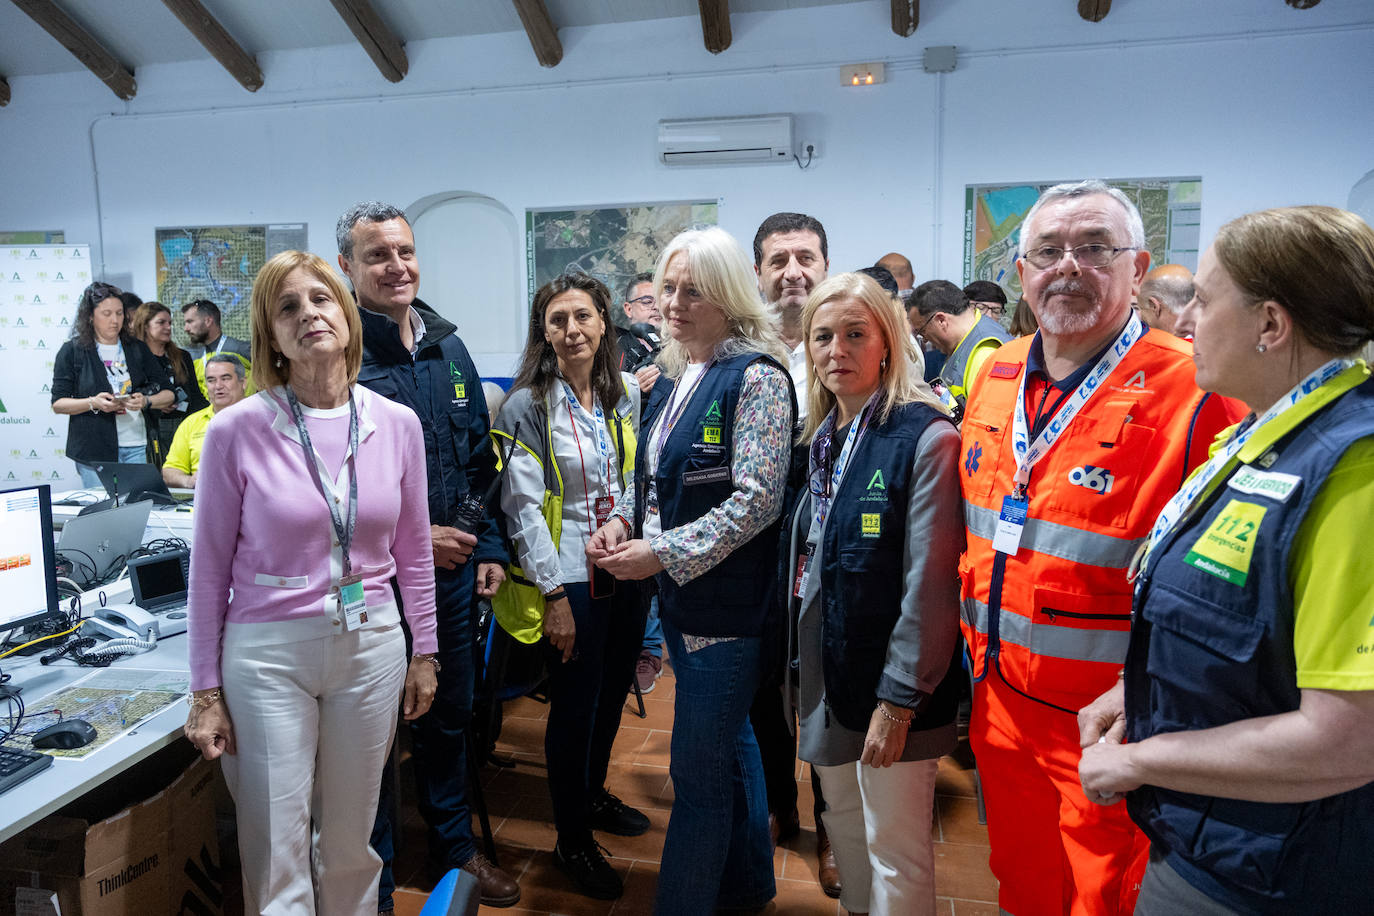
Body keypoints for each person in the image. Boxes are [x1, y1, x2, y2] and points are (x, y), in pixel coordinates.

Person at [959, 179, 1244, 916]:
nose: (1069, 267)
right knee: (1021, 879)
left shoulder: (1196, 390)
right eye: (1048, 251)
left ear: (1138, 268)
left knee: (1105, 894)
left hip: (1108, 718)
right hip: (995, 701)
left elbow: (1224, 587)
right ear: (1021, 273)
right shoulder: (994, 374)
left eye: (1095, 249)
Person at [1078, 205, 1374, 914]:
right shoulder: (1263, 438)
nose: (1183, 324)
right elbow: (1246, 632)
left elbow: (1344, 740)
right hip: (1216, 837)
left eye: (1205, 303)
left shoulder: (1351, 471)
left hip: (1272, 870)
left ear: (1271, 326)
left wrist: (1138, 760)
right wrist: (1140, 694)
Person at [183, 250, 440, 915]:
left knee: (354, 841)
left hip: (373, 645)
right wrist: (204, 690)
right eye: (288, 307)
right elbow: (208, 566)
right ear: (271, 335)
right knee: (276, 846)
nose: (309, 315)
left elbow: (413, 550)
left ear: (348, 314)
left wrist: (426, 652)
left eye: (321, 299)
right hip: (268, 654)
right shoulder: (235, 430)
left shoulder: (396, 424)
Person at [589, 226, 793, 915]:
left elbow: (757, 502)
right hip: (681, 604)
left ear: (729, 295)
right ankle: (751, 884)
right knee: (732, 745)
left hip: (727, 615)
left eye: (692, 290)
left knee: (697, 778)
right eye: (668, 287)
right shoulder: (679, 376)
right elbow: (652, 478)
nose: (673, 303)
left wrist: (661, 553)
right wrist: (626, 520)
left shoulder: (758, 378)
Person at [335, 201, 519, 910]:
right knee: (369, 729)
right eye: (377, 255)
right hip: (372, 584)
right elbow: (330, 487)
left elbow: (479, 461)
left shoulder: (450, 348)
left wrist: (487, 545)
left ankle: (454, 854)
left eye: (404, 251)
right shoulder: (340, 356)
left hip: (450, 576)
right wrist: (413, 542)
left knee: (449, 713)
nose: (396, 266)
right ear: (348, 268)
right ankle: (372, 876)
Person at [786, 272, 963, 915]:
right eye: (823, 337)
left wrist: (899, 700)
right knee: (842, 820)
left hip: (893, 688)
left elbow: (932, 586)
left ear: (887, 342)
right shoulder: (825, 435)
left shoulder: (926, 435)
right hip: (828, 675)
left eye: (855, 335)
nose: (838, 351)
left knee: (896, 846)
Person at [492, 272, 645, 901]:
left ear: (604, 322)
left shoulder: (625, 393)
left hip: (626, 565)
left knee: (612, 694)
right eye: (557, 320)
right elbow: (522, 509)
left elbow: (641, 473)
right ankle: (571, 837)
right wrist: (554, 596)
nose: (571, 330)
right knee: (576, 707)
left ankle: (593, 794)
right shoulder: (527, 403)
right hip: (571, 579)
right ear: (544, 331)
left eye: (582, 316)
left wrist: (622, 519)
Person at [751, 210, 840, 897]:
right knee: (765, 685)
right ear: (758, 273)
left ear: (825, 265)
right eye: (778, 260)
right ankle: (779, 805)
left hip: (833, 545)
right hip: (759, 546)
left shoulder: (847, 345)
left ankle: (835, 826)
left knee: (826, 681)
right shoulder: (743, 349)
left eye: (805, 258)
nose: (792, 272)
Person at [50, 281, 172, 487]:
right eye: (106, 314)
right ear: (90, 316)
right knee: (103, 513)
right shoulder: (73, 351)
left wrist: (146, 401)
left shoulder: (137, 348)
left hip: (136, 444)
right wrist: (93, 403)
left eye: (119, 313)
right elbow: (58, 404)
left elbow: (169, 394)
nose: (115, 320)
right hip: (93, 448)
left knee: (136, 507)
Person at [908, 279, 1013, 414]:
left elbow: (989, 423)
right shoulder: (965, 342)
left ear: (941, 320)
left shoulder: (985, 351)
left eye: (923, 331)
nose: (926, 340)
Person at [130, 301, 208, 464]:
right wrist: (156, 404)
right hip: (149, 430)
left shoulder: (182, 356)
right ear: (145, 326)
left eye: (170, 323)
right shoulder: (134, 358)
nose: (168, 327)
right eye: (161, 322)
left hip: (183, 426)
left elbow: (194, 395)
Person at [161, 353, 247, 488]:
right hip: (203, 497)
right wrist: (188, 481)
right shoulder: (191, 423)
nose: (218, 386)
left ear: (243, 382)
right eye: (211, 380)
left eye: (225, 378)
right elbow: (169, 471)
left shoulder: (260, 419)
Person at [182, 298, 253, 395]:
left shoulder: (241, 349)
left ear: (208, 321)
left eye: (190, 322)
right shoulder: (193, 357)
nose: (186, 328)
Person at [1136, 264, 1194, 337]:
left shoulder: (1146, 346)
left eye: (1140, 308)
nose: (1139, 317)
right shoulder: (1207, 343)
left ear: (1154, 306)